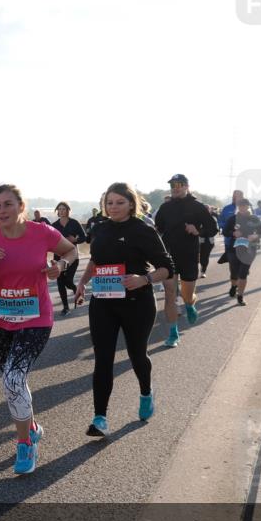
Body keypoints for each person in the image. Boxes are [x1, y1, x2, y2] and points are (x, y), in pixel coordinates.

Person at [0, 184, 78, 474]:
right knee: (13, 381)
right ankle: (33, 427)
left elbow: (71, 250)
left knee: (13, 379)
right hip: (1, 321)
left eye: (8, 204)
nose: (1, 210)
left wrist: (60, 265)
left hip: (36, 318)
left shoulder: (41, 232)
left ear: (21, 206)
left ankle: (25, 444)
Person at [74, 183, 175, 438]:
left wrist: (144, 279)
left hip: (137, 302)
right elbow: (96, 260)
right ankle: (100, 418)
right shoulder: (99, 228)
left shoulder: (143, 230)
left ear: (131, 203)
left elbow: (167, 267)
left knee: (137, 355)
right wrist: (83, 283)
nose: (114, 207)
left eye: (120, 202)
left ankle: (146, 392)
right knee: (103, 359)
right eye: (110, 202)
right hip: (103, 302)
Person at [153, 174, 217, 348]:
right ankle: (173, 333)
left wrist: (198, 231)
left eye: (179, 184)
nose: (176, 187)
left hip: (188, 255)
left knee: (186, 294)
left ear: (187, 186)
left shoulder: (197, 206)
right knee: (170, 295)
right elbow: (158, 229)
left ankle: (189, 304)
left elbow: (213, 228)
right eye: (173, 184)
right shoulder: (165, 207)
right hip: (169, 256)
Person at [222, 198, 261, 306]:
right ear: (238, 207)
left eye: (245, 206)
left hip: (249, 250)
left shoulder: (254, 219)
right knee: (234, 272)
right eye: (240, 206)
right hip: (233, 249)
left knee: (243, 273)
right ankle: (233, 286)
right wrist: (233, 233)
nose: (243, 208)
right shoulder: (232, 219)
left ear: (248, 207)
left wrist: (256, 236)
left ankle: (240, 296)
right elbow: (225, 232)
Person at [51, 201, 85, 316]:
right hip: (58, 257)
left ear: (68, 210)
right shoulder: (54, 225)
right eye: (59, 209)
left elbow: (84, 237)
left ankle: (76, 289)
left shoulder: (74, 223)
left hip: (73, 257)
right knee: (60, 282)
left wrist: (75, 240)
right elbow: (48, 241)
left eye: (63, 209)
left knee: (68, 281)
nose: (61, 211)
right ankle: (65, 307)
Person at [217, 190, 243, 264]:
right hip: (229, 241)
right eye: (235, 196)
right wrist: (226, 228)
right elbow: (220, 221)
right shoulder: (226, 209)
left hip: (244, 241)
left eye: (239, 196)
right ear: (233, 197)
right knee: (232, 263)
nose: (237, 198)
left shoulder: (247, 208)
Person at [199, 206, 218, 277]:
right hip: (199, 239)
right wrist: (200, 233)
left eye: (207, 209)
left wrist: (208, 233)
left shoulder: (213, 219)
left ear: (210, 210)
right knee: (199, 256)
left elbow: (216, 230)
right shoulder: (197, 218)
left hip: (209, 240)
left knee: (205, 256)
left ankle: (203, 270)